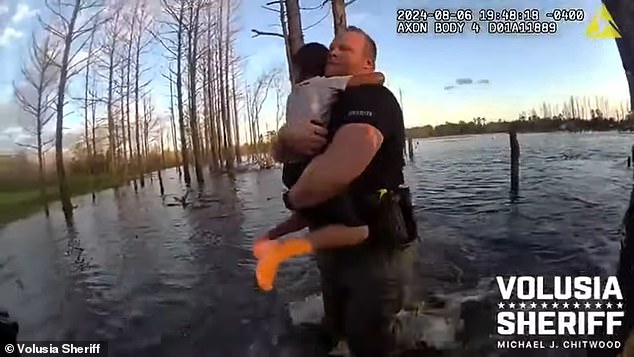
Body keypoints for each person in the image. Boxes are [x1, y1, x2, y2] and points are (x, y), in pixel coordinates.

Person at [265, 26, 415, 356]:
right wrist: (284, 143)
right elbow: (290, 156)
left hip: (372, 250)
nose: (333, 52)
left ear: (367, 64)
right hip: (331, 245)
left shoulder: (372, 97)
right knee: (336, 327)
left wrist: (293, 200)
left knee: (370, 341)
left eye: (344, 49)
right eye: (332, 47)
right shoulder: (323, 98)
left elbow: (339, 169)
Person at [252, 42, 386, 292]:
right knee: (359, 231)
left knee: (309, 212)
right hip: (311, 171)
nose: (335, 55)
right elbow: (376, 78)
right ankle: (282, 252)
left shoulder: (295, 93)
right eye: (332, 54)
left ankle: (270, 237)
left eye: (345, 50)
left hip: (293, 172)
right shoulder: (326, 84)